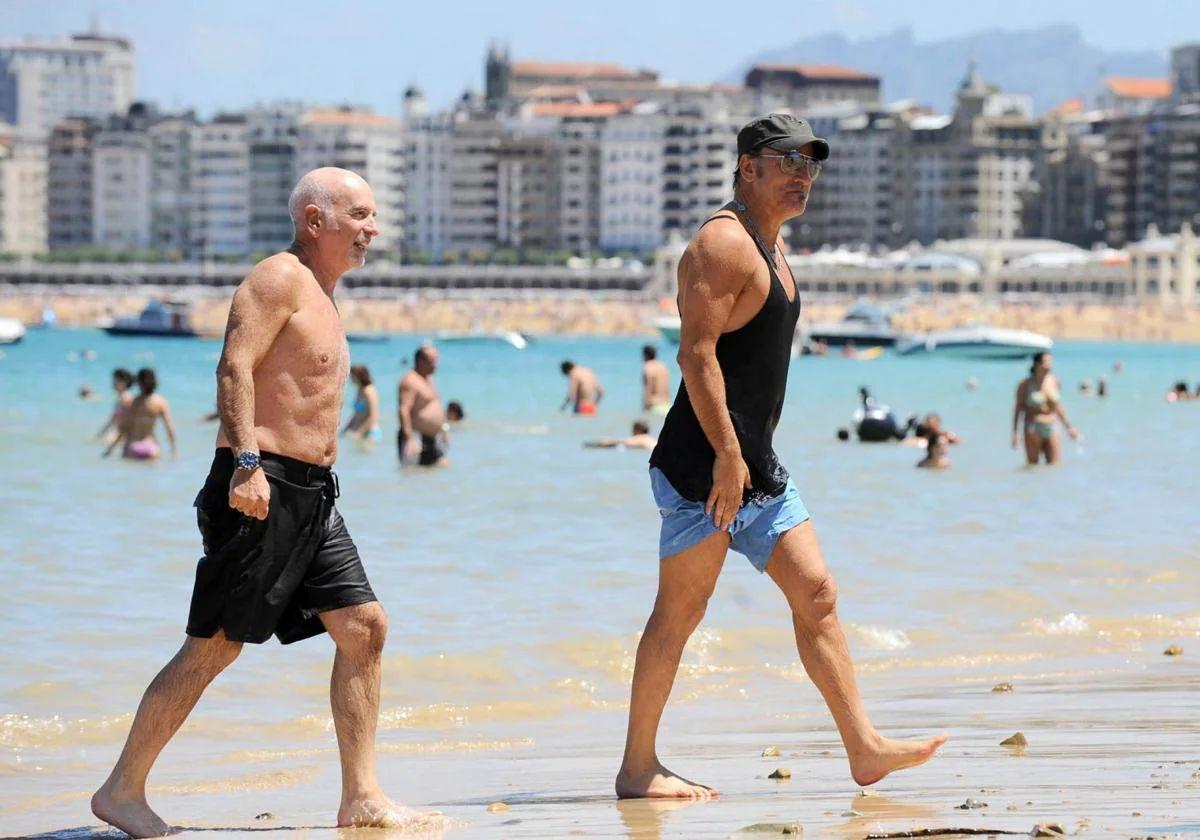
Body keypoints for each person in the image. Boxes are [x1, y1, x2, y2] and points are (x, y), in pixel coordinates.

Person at [91, 168, 440, 837]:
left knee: (364, 627)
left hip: (312, 496)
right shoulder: (277, 278)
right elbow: (234, 367)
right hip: (258, 487)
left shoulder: (324, 293)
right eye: (361, 215)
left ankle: (362, 796)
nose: (374, 229)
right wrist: (247, 464)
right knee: (215, 646)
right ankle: (121, 790)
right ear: (316, 219)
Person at [618, 114, 946, 800]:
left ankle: (864, 746)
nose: (803, 174)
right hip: (701, 470)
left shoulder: (773, 246)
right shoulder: (723, 244)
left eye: (811, 163)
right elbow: (696, 355)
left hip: (753, 462)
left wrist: (747, 458)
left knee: (818, 594)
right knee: (679, 614)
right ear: (748, 167)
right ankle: (638, 767)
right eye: (787, 159)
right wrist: (728, 460)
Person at [1012, 351, 1078, 465]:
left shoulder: (1054, 381)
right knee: (1032, 466)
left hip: (1052, 426)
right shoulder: (1025, 384)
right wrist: (1015, 433)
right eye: (1046, 362)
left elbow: (1058, 407)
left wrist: (1069, 427)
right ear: (1037, 364)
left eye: (1051, 362)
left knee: (1054, 466)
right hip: (1032, 427)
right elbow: (1018, 409)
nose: (1050, 365)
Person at [103, 368, 177, 461]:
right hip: (151, 448)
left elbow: (124, 429)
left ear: (138, 383)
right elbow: (169, 428)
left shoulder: (132, 403)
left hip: (132, 447)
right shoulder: (160, 402)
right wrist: (174, 451)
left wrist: (109, 450)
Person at [398, 344, 448, 467]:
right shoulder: (410, 380)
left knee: (442, 470)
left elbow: (435, 405)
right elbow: (404, 410)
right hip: (416, 436)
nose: (436, 364)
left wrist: (444, 428)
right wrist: (409, 438)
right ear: (420, 361)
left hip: (433, 437)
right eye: (432, 361)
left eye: (436, 360)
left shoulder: (428, 379)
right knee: (413, 475)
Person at [342, 364, 382, 442]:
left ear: (358, 376)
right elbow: (356, 414)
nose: (350, 378)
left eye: (352, 376)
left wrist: (359, 432)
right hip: (359, 431)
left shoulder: (370, 391)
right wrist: (346, 429)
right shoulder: (359, 390)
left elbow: (374, 416)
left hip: (371, 433)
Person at [97, 368, 135, 442]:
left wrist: (99, 436)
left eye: (116, 380)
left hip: (123, 435)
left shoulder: (126, 399)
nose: (113, 383)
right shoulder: (121, 398)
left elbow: (131, 420)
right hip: (119, 433)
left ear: (123, 382)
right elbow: (112, 420)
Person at [585, 420, 657, 450]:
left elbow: (621, 442)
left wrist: (598, 444)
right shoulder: (651, 439)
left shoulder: (640, 438)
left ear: (637, 431)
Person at [642, 345, 671, 415]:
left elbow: (648, 388)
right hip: (667, 406)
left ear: (645, 355)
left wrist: (645, 406)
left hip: (654, 407)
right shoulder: (663, 367)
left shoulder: (647, 367)